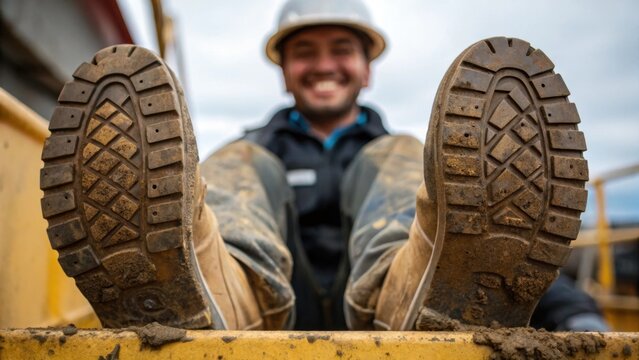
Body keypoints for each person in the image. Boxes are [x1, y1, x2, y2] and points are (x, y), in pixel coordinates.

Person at [40, 0, 606, 331]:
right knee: (237, 165)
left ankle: (411, 298)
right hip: (273, 319)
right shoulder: (254, 151)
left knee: (401, 158)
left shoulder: (414, 159)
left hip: (389, 313)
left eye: (341, 49)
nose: (324, 65)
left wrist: (575, 315)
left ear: (367, 68)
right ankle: (210, 298)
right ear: (284, 71)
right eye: (305, 53)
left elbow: (494, 243)